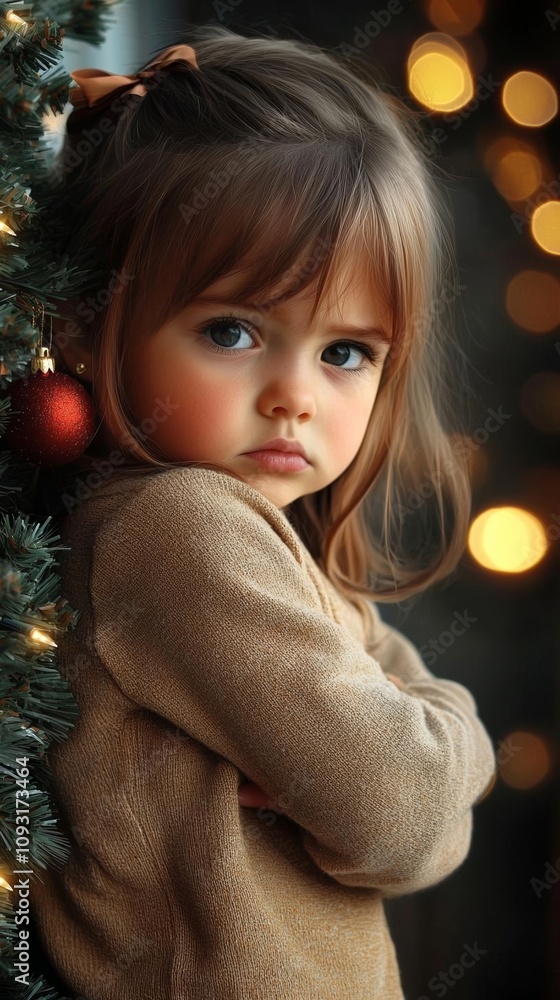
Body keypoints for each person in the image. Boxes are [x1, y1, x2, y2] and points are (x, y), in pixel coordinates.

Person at [31, 22, 496, 1000]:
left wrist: (420, 749)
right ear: (80, 324)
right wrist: (439, 738)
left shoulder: (253, 539)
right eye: (233, 330)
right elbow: (401, 813)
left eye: (343, 352)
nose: (294, 393)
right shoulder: (181, 530)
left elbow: (419, 833)